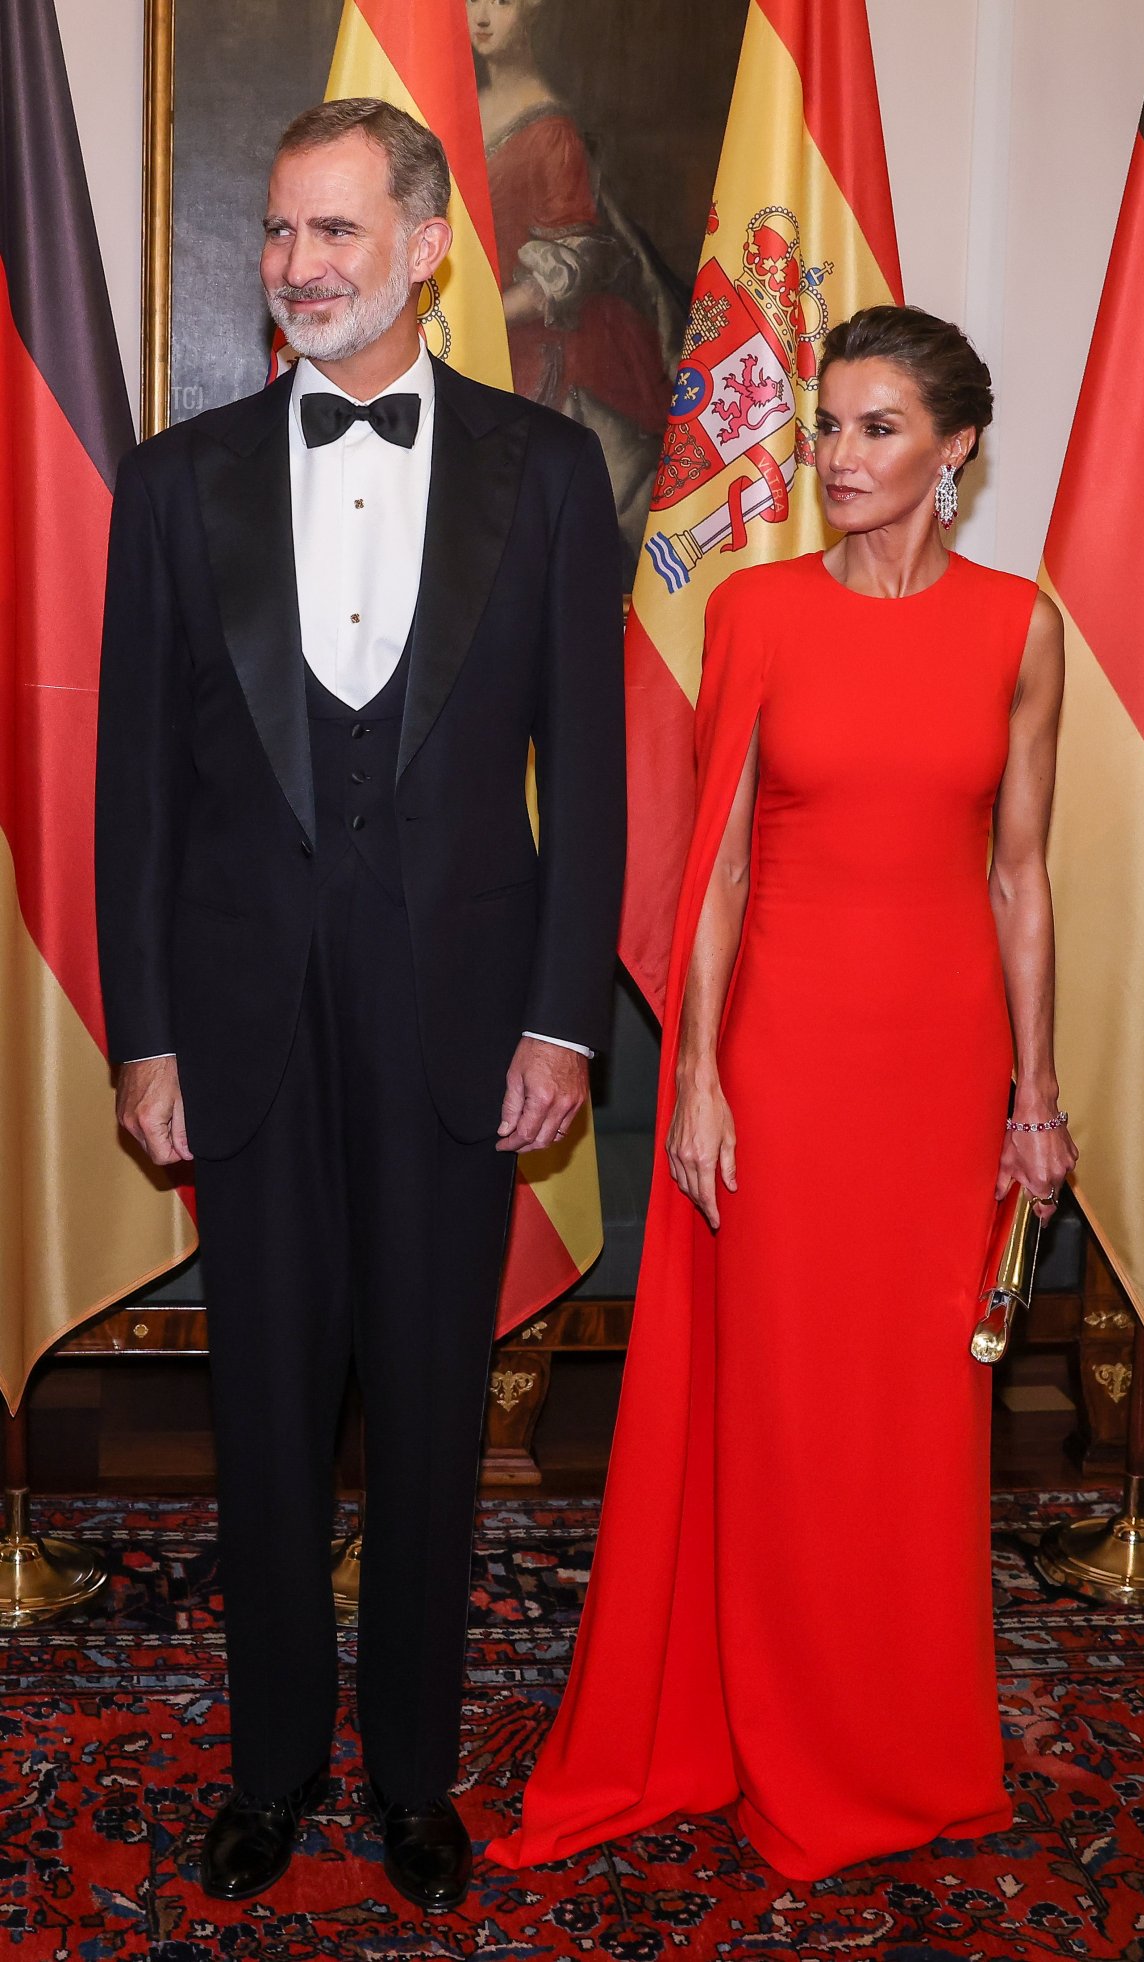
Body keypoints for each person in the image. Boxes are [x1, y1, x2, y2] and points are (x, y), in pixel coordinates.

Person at [95, 98, 625, 1914]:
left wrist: (566, 1020)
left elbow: (594, 777)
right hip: (239, 1023)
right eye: (279, 235)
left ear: (421, 247)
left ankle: (411, 1774)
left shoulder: (548, 475)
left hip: (462, 1025)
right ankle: (268, 1767)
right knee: (259, 1423)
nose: (301, 267)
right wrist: (143, 1029)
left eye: (336, 234)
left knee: (425, 1415)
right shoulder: (178, 482)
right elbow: (134, 788)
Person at [489, 305, 1078, 1881]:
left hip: (943, 1062)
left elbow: (1021, 879)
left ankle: (907, 1739)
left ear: (955, 449)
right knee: (787, 1405)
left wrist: (1036, 1089)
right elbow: (723, 868)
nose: (838, 457)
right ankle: (769, 1725)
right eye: (827, 426)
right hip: (787, 1061)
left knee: (912, 1413)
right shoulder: (754, 611)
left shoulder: (1023, 627)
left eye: (877, 429)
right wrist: (695, 1074)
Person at [467, 0, 680, 579]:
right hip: (473, 349)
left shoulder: (551, 130)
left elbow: (567, 270)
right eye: (471, 0)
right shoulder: (459, 112)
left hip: (550, 356)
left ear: (532, 13)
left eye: (503, 2)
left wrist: (476, 314)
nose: (482, 16)